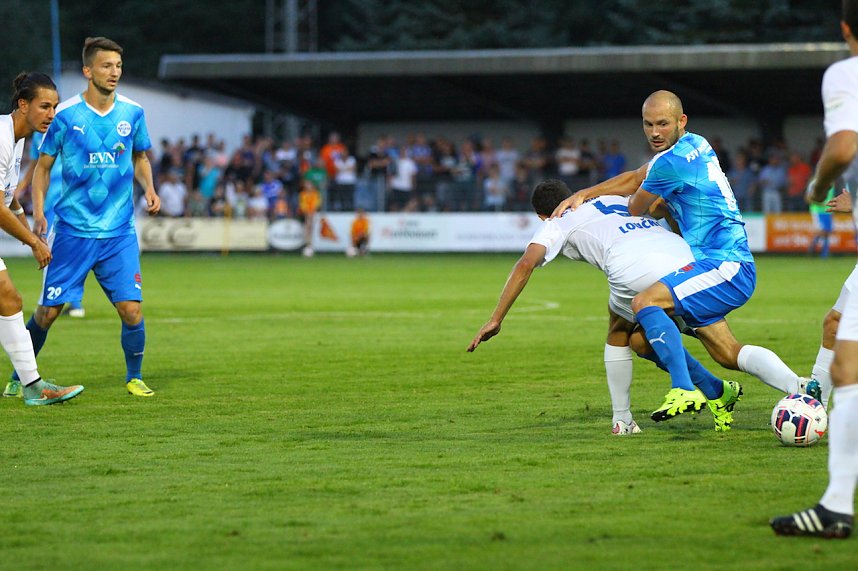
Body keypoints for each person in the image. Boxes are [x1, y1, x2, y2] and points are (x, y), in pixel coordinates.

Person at [550, 90, 813, 422]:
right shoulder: (696, 144)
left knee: (645, 303)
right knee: (714, 351)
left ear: (681, 121)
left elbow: (635, 205)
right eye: (648, 124)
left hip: (723, 264)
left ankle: (684, 388)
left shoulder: (669, 163)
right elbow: (637, 178)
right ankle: (801, 387)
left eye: (662, 124)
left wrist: (592, 197)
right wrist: (588, 192)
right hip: (721, 264)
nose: (655, 132)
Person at [468, 180, 745, 433]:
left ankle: (624, 419)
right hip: (686, 265)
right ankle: (726, 388)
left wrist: (496, 319)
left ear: (541, 215)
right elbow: (661, 205)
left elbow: (525, 264)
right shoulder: (615, 198)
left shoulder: (555, 220)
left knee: (619, 329)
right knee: (643, 341)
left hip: (639, 272)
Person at [26, 37, 160, 398]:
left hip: (119, 232)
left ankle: (134, 376)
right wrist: (39, 212)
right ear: (88, 71)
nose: (114, 72)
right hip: (73, 231)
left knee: (131, 309)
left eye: (118, 65)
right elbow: (43, 167)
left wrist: (148, 188)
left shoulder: (133, 112)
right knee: (48, 313)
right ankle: (21, 375)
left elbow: (140, 157)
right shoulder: (66, 115)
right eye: (106, 66)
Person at [771, 0, 858, 539]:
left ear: (846, 28)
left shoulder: (845, 73)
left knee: (849, 368)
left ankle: (834, 507)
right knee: (836, 332)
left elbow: (844, 144)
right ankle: (833, 503)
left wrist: (819, 187)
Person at [0, 72, 83, 405]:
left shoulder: (17, 139)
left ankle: (32, 386)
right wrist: (34, 242)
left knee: (9, 300)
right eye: (44, 106)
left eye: (56, 106)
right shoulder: (3, 138)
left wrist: (25, 221)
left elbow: (8, 198)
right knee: (9, 299)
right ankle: (33, 386)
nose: (52, 113)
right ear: (23, 104)